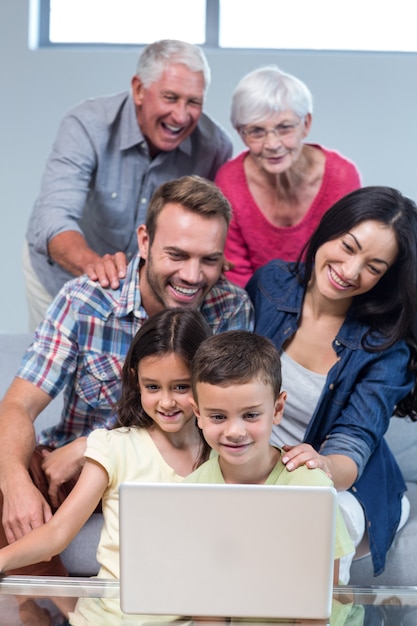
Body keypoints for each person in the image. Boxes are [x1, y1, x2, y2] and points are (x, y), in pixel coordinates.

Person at [0, 175, 254, 577]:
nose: (192, 276)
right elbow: (17, 404)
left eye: (209, 260)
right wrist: (14, 483)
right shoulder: (86, 300)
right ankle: (38, 609)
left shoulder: (230, 309)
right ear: (145, 241)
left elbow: (227, 424)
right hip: (70, 476)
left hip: (172, 470)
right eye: (177, 254)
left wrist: (95, 443)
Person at [246, 185, 417, 578]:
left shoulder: (385, 347)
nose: (351, 271)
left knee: (304, 531)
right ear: (330, 229)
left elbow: (353, 442)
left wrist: (320, 465)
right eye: (349, 246)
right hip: (257, 468)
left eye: (374, 267)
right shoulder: (271, 286)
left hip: (345, 483)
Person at [0, 309, 212, 625]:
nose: (166, 402)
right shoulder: (113, 447)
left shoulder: (224, 455)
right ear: (135, 380)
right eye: (152, 387)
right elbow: (57, 533)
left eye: (180, 387)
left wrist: (314, 458)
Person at [24, 39, 233, 330]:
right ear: (138, 89)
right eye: (170, 97)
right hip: (64, 273)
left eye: (193, 102)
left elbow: (211, 225)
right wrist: (94, 266)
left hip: (151, 291)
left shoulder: (215, 146)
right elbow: (54, 218)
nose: (181, 115)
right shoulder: (86, 125)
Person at [185, 330, 354, 585]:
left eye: (251, 415)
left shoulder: (311, 487)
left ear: (277, 409)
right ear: (197, 414)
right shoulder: (191, 492)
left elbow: (323, 599)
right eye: (218, 417)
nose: (235, 432)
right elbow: (205, 591)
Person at [215, 65, 361, 288]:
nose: (272, 145)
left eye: (284, 128)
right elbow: (237, 276)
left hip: (329, 299)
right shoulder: (229, 181)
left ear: (306, 124)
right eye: (256, 131)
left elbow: (346, 263)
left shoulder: (342, 177)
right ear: (240, 134)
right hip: (256, 306)